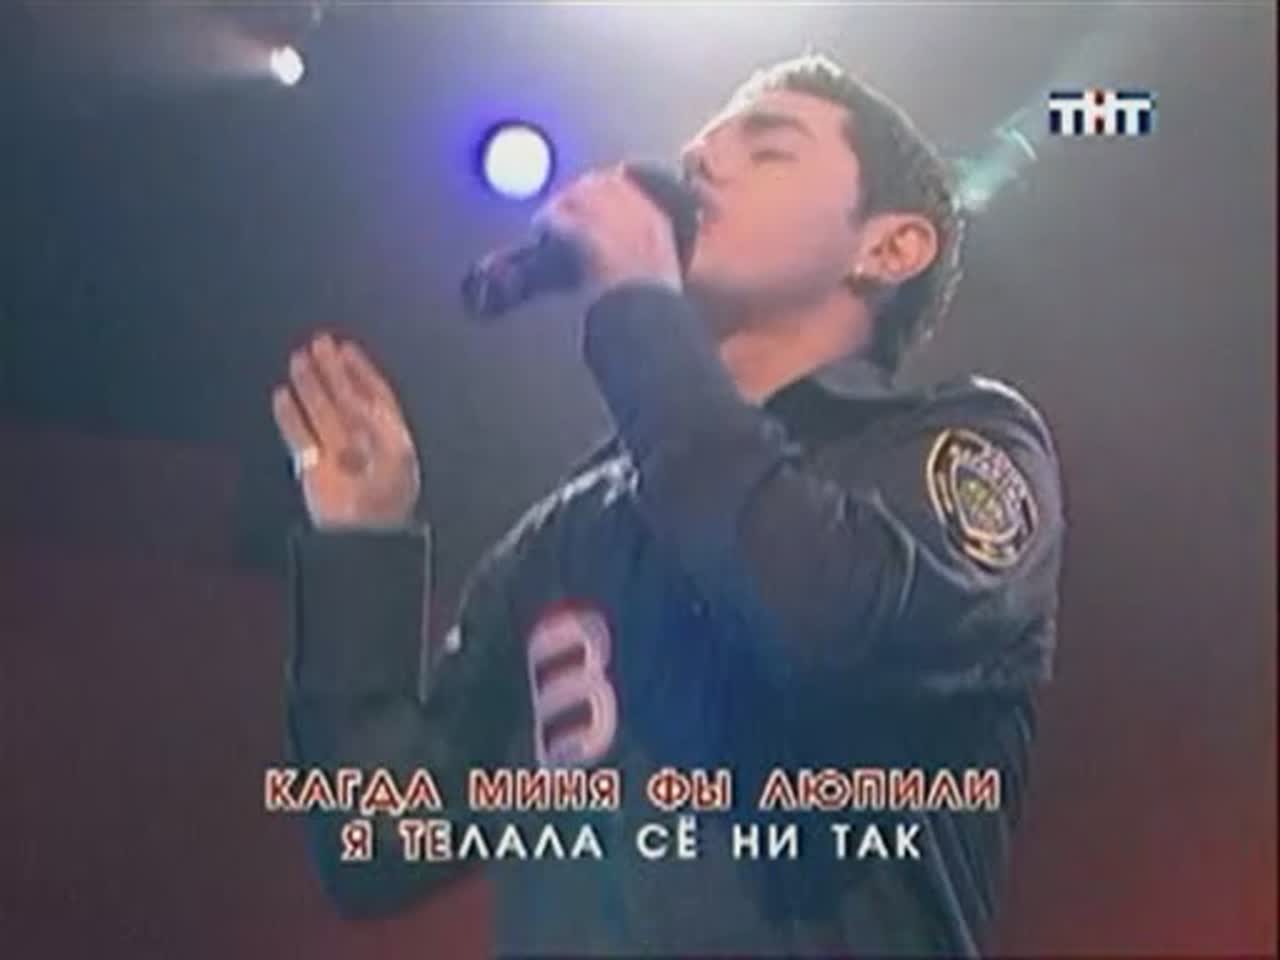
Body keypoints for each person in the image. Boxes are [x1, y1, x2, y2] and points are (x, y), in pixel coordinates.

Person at [271, 52, 1065, 957]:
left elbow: (824, 617)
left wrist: (641, 314)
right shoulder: (567, 534)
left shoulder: (955, 448)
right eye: (700, 151)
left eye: (767, 148)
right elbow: (377, 844)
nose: (701, 164)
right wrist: (363, 544)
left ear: (889, 248)